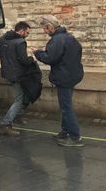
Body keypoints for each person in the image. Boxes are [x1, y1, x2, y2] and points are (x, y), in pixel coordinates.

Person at [31, 15, 84, 147]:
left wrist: (37, 53)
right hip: (73, 75)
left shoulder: (57, 39)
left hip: (64, 77)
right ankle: (64, 132)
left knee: (66, 108)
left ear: (50, 27)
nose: (44, 31)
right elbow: (68, 53)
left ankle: (75, 137)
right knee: (66, 106)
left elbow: (50, 58)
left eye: (44, 28)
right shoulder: (69, 37)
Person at [0, 21, 32, 136]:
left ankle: (17, 116)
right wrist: (32, 59)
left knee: (22, 94)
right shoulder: (21, 42)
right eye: (27, 32)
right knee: (19, 99)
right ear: (21, 31)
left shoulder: (3, 38)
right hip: (18, 74)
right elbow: (24, 60)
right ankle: (5, 124)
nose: (27, 35)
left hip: (7, 73)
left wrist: (8, 59)